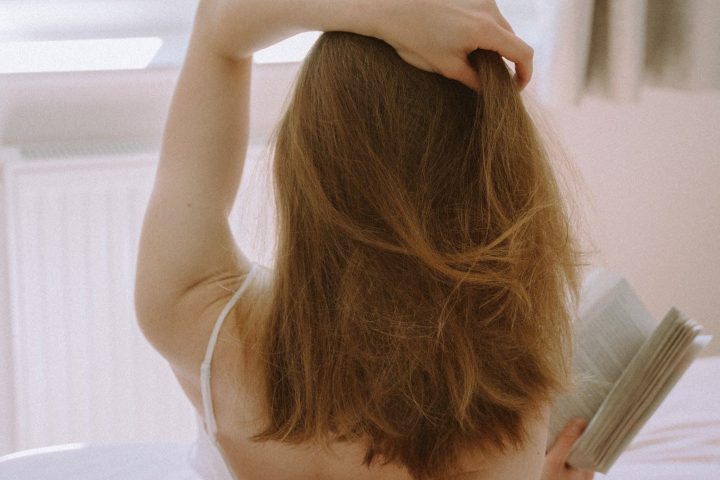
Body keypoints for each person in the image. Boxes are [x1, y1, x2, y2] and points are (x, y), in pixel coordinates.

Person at [134, 0, 593, 479]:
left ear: (304, 160)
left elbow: (218, 25)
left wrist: (383, 12)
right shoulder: (500, 420)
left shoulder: (193, 314)